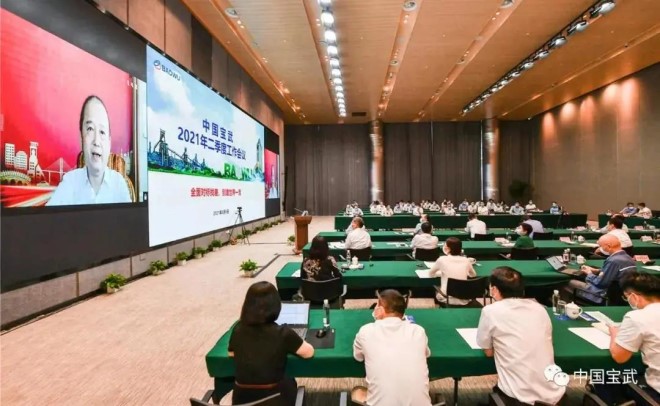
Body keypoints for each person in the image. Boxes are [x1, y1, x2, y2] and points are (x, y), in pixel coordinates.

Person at [476, 267, 566, 405]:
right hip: (555, 395)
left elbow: (488, 352)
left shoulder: (490, 311)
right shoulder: (540, 309)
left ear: (494, 290)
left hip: (518, 397)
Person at [228, 282, 314, 405]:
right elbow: (309, 353)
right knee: (290, 382)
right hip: (276, 399)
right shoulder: (283, 333)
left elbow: (231, 354)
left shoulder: (237, 329)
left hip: (241, 400)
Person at [47, 95, 132, 206]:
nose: (96, 141)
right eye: (90, 129)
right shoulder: (70, 182)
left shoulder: (119, 184)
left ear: (109, 143)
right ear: (81, 138)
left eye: (102, 132)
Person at [352, 290, 432, 406]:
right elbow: (427, 354)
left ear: (380, 310)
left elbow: (358, 357)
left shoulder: (366, 331)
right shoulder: (418, 331)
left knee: (357, 391)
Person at [602, 271, 660, 405]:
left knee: (605, 373)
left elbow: (619, 357)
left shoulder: (637, 317)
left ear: (633, 296)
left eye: (626, 297)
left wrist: (614, 333)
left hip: (655, 395)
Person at [564, 234, 636, 303]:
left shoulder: (613, 261)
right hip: (622, 293)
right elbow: (615, 273)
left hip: (603, 295)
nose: (599, 248)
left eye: (601, 246)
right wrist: (597, 271)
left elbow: (600, 283)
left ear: (608, 246)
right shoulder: (628, 258)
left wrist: (589, 273)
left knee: (569, 282)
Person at [429, 237, 476, 305]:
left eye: (445, 245)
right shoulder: (466, 260)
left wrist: (441, 273)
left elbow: (431, 274)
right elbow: (473, 275)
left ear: (448, 248)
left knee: (437, 291)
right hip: (464, 298)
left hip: (446, 298)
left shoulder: (441, 259)